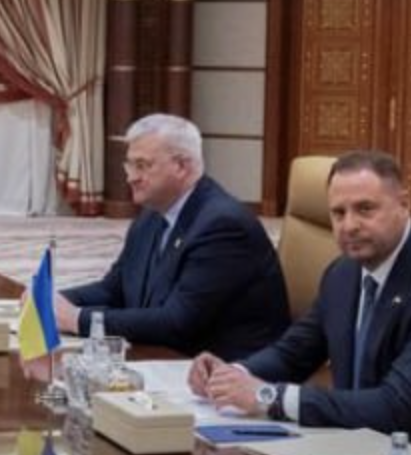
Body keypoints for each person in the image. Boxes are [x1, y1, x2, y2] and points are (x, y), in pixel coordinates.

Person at [190, 150, 411, 444]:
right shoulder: (342, 273)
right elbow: (294, 353)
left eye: (365, 209)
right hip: (353, 446)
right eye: (338, 213)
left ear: (404, 204)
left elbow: (396, 406)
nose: (349, 226)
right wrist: (232, 375)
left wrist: (271, 397)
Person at [56, 113, 289, 361]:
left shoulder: (222, 226)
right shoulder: (152, 214)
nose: (131, 177)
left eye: (143, 165)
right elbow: (115, 289)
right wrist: (57, 300)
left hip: (224, 369)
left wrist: (78, 320)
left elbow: (177, 323)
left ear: (181, 166)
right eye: (129, 165)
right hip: (166, 356)